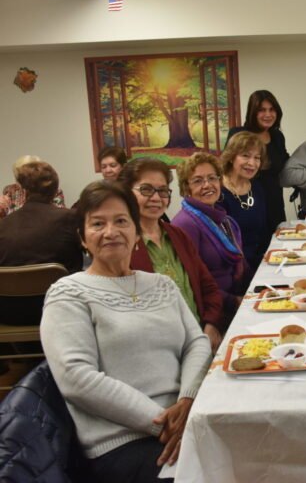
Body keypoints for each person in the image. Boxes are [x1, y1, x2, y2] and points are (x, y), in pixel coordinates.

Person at [40, 180, 211, 482]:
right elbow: (76, 378)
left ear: (136, 232)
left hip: (187, 420)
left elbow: (195, 343)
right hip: (123, 441)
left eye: (121, 221)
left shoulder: (161, 284)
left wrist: (186, 400)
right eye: (97, 223)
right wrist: (162, 423)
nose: (111, 232)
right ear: (82, 237)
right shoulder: (68, 293)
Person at [119, 158, 227, 352]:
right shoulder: (122, 246)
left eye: (162, 191)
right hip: (158, 351)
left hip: (199, 338)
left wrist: (212, 324)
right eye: (146, 189)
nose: (156, 198)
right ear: (126, 193)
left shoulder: (177, 235)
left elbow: (208, 286)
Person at [0, 161, 82, 324]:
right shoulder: (70, 218)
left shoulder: (3, 224)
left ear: (24, 191)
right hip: (62, 309)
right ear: (55, 191)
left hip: (8, 313)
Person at [173, 153, 246, 319]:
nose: (207, 185)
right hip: (215, 312)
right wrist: (234, 301)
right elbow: (194, 282)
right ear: (186, 188)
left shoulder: (224, 220)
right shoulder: (185, 224)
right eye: (198, 181)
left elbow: (242, 265)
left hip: (238, 300)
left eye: (212, 178)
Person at [226, 90, 290, 233]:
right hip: (246, 205)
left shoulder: (277, 136)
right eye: (262, 110)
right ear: (253, 112)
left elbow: (286, 162)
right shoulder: (238, 134)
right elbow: (226, 169)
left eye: (272, 109)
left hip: (274, 204)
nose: (268, 114)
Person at [219, 131, 269, 275]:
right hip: (233, 269)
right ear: (231, 157)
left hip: (260, 263)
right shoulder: (218, 191)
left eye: (257, 158)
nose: (252, 163)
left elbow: (263, 233)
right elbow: (222, 243)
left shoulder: (257, 188)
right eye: (245, 156)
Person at [1, 155, 66, 217]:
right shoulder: (10, 190)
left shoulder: (53, 191)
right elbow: (6, 216)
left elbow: (59, 215)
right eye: (18, 175)